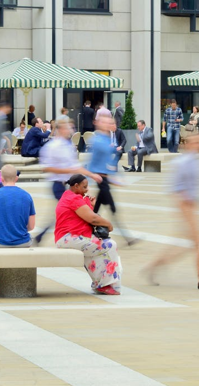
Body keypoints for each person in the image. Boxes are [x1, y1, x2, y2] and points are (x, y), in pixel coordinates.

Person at [144, 134, 199, 290]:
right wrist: (185, 200)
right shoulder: (182, 162)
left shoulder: (198, 161)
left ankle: (155, 265)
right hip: (185, 205)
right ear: (189, 144)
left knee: (189, 244)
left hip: (193, 206)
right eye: (198, 142)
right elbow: (173, 187)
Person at [36, 118, 102, 243]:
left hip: (68, 185)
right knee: (72, 210)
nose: (71, 131)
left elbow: (75, 166)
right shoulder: (52, 146)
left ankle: (44, 235)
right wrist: (66, 170)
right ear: (60, 129)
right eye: (68, 128)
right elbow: (46, 167)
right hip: (59, 184)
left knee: (66, 211)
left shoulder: (68, 145)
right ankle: (72, 234)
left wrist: (91, 175)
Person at [55, 174, 121, 295]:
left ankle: (101, 284)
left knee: (96, 250)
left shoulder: (69, 196)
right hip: (70, 238)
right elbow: (92, 219)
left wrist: (92, 205)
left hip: (67, 238)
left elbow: (85, 215)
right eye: (84, 187)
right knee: (110, 244)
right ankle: (106, 284)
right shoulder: (74, 199)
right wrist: (109, 225)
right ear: (76, 186)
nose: (87, 189)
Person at [0, 165, 36, 289]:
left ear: (1, 179)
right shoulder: (27, 196)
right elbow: (31, 226)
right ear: (16, 178)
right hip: (23, 242)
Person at [89, 114, 136, 245]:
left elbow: (110, 161)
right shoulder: (98, 140)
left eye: (109, 122)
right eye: (105, 122)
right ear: (98, 123)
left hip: (104, 180)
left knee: (96, 210)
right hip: (100, 180)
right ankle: (127, 238)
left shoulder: (106, 139)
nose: (108, 124)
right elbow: (92, 162)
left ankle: (88, 231)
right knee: (112, 209)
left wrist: (116, 177)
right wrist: (90, 178)